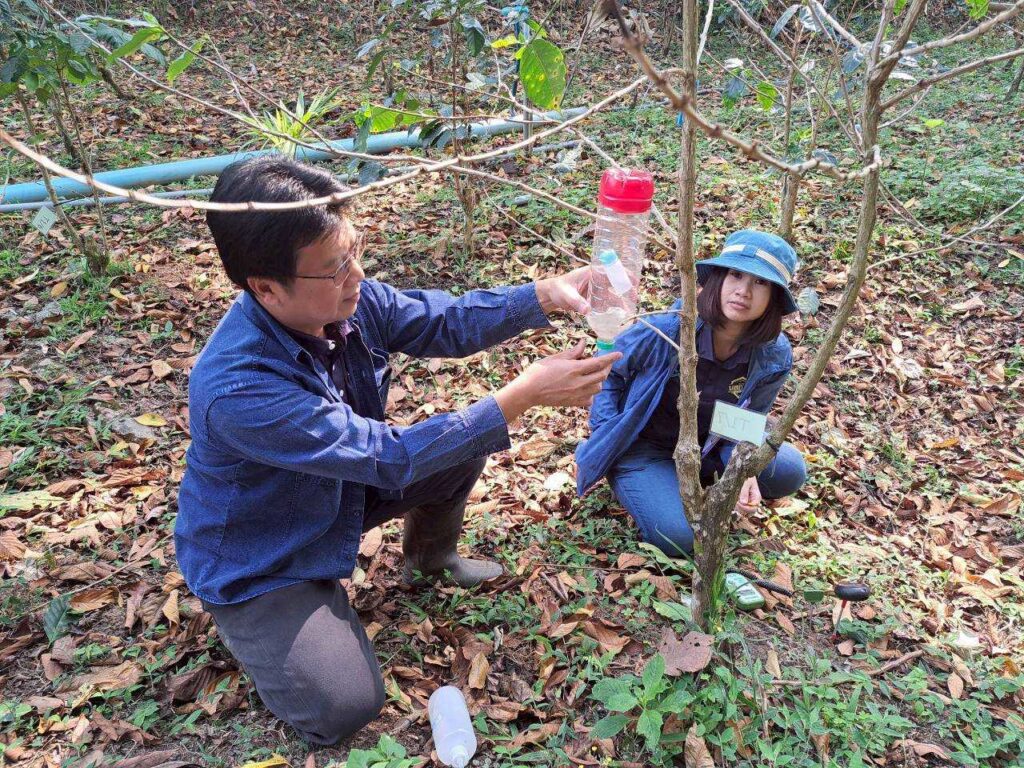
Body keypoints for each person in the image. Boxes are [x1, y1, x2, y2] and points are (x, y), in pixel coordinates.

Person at [174, 156, 620, 744]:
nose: (356, 275)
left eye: (354, 252)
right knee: (345, 707)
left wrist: (544, 294)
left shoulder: (346, 301)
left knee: (454, 447)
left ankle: (431, 560)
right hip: (264, 552)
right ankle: (264, 623)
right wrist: (523, 395)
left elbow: (445, 321)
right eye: (335, 268)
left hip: (337, 490)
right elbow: (387, 458)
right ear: (265, 287)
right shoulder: (238, 388)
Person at [575, 229, 807, 557]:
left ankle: (684, 482)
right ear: (718, 278)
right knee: (681, 539)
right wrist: (605, 435)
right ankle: (640, 481)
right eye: (735, 275)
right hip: (646, 446)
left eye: (760, 282)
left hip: (709, 446)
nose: (743, 291)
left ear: (774, 297)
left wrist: (744, 469)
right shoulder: (670, 327)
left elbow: (748, 420)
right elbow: (608, 372)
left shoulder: (773, 354)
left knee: (789, 471)